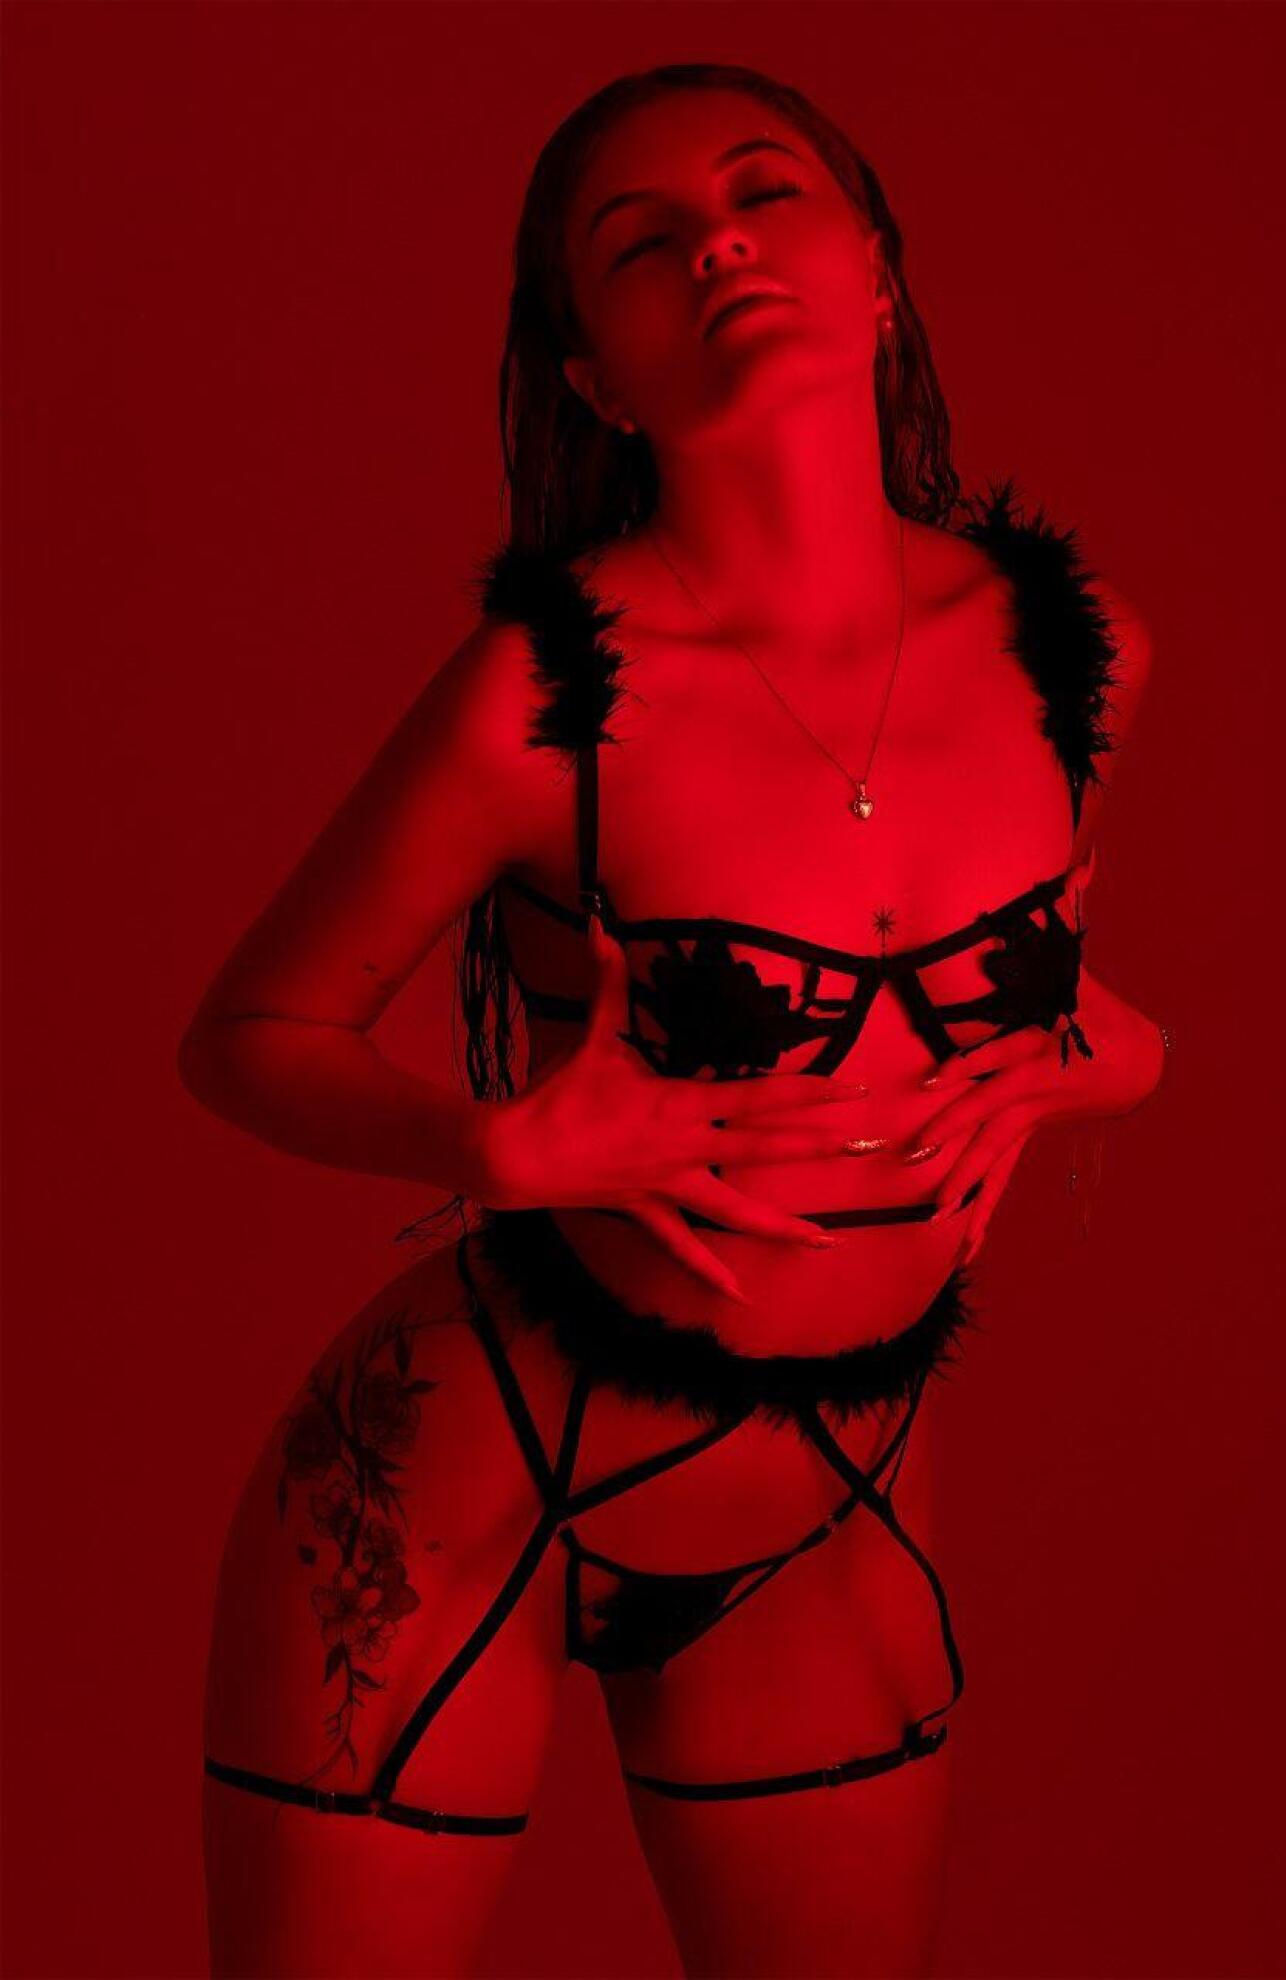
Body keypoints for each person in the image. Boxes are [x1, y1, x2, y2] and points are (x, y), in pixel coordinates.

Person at [181, 61, 1165, 1980]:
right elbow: (246, 1034)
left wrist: (1118, 1062)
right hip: (467, 1480)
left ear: (878, 272)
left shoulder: (1081, 659)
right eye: (639, 245)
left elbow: (1049, 990)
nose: (716, 244)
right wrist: (489, 1141)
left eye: (763, 191)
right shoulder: (541, 700)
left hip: (834, 1499)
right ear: (596, 379)